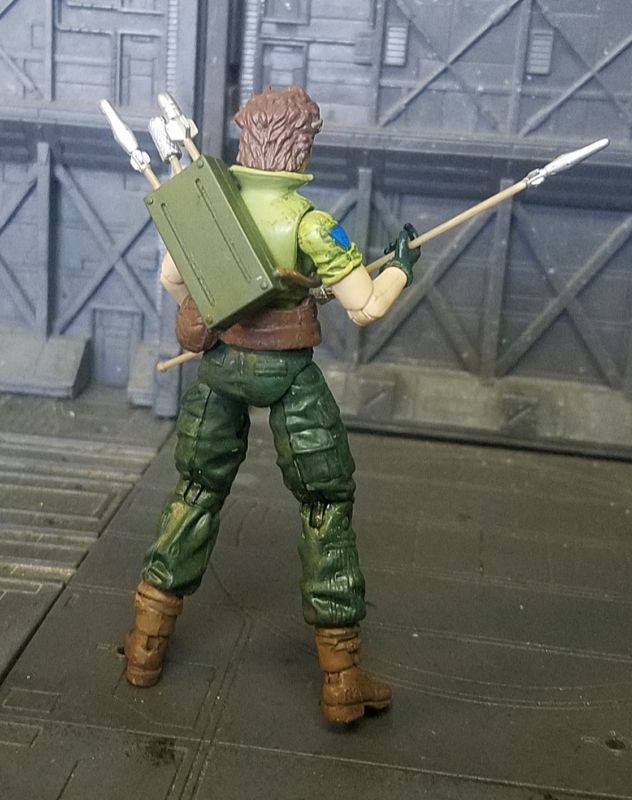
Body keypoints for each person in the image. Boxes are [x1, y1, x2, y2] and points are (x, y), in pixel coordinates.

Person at [124, 85, 420, 724]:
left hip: (221, 370)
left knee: (195, 492)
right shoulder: (311, 223)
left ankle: (145, 645)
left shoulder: (210, 206)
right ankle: (342, 678)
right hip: (288, 376)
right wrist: (400, 266)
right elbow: (365, 307)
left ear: (248, 139)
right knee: (325, 503)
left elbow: (174, 280)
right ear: (301, 144)